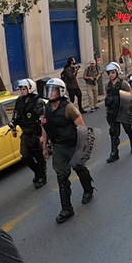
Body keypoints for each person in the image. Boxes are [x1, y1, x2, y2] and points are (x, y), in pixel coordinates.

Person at [41, 78, 95, 224]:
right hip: (58, 147)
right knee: (61, 177)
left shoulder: (69, 108)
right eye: (49, 89)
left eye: (53, 89)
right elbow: (45, 126)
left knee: (79, 168)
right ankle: (67, 209)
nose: (50, 93)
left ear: (61, 91)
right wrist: (44, 146)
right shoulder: (47, 108)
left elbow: (82, 128)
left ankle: (88, 189)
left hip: (72, 145)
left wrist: (82, 147)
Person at [9, 79, 47, 188]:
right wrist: (13, 128)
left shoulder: (38, 102)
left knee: (39, 156)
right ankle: (38, 172)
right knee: (25, 155)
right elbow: (16, 115)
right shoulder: (19, 101)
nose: (21, 91)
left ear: (30, 88)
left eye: (24, 89)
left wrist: (43, 136)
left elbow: (42, 119)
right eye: (21, 89)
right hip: (25, 133)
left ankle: (42, 177)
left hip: (36, 133)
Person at [103, 61, 132, 162]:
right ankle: (114, 153)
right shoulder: (107, 86)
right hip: (112, 113)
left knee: (127, 129)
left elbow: (130, 97)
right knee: (113, 132)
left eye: (112, 72)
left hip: (123, 111)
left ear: (117, 72)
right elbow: (107, 97)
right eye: (109, 73)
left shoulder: (124, 84)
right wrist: (107, 110)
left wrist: (129, 111)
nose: (111, 75)